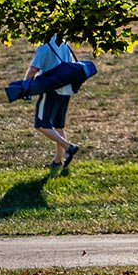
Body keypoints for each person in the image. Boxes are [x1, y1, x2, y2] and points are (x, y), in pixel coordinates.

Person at [26, 30, 83, 170]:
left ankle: (68, 147)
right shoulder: (63, 43)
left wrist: (25, 87)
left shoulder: (44, 46)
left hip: (51, 90)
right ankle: (58, 160)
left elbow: (33, 69)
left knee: (41, 125)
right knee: (58, 125)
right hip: (65, 89)